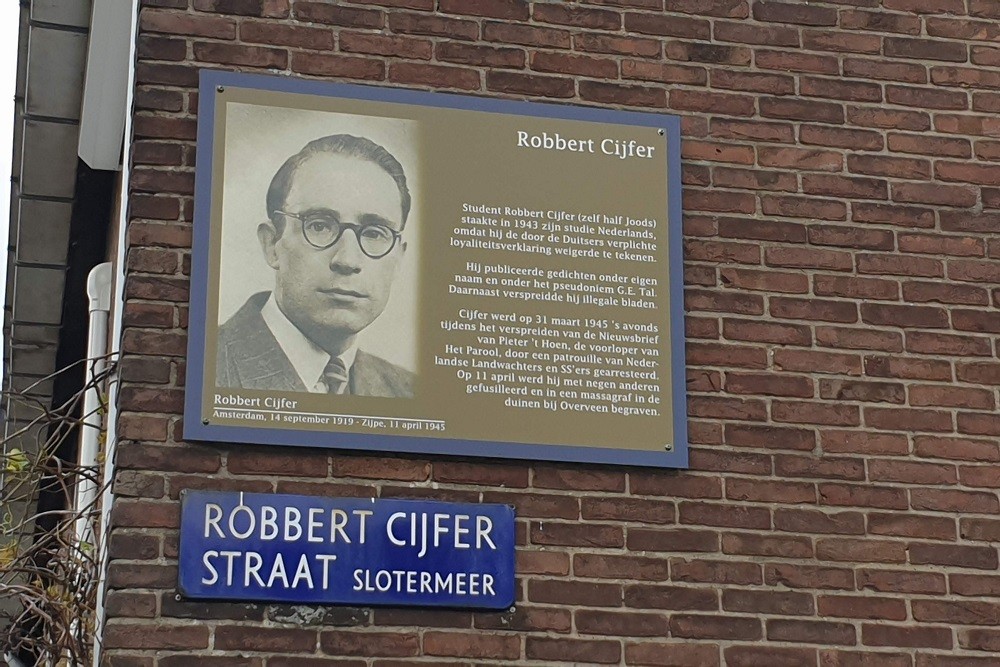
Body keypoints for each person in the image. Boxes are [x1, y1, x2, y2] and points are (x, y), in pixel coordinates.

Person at [215, 134, 414, 398]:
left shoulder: (408, 391)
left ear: (398, 259)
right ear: (272, 244)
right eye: (319, 226)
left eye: (374, 233)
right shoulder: (209, 365)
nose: (347, 260)